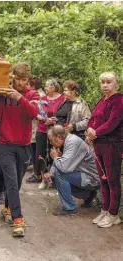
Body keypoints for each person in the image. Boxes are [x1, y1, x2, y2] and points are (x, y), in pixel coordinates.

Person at [0, 63, 40, 237]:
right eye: (17, 79)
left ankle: (7, 209)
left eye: (23, 79)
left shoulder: (32, 94)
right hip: (4, 144)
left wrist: (19, 97)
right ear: (12, 78)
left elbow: (34, 113)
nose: (20, 83)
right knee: (11, 182)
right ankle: (18, 220)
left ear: (28, 79)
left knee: (16, 183)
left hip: (24, 145)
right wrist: (0, 96)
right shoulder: (5, 91)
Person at [87, 72, 123, 228]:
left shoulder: (119, 100)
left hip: (113, 145)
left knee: (113, 180)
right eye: (102, 82)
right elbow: (92, 118)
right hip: (98, 145)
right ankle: (105, 209)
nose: (105, 85)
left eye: (109, 82)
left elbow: (112, 122)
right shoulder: (102, 100)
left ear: (116, 84)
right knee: (103, 179)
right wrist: (89, 129)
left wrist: (95, 132)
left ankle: (114, 214)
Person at [43, 125, 100, 216]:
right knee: (54, 176)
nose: (50, 143)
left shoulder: (72, 142)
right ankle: (88, 195)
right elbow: (64, 164)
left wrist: (55, 158)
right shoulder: (68, 141)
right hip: (88, 176)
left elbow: (64, 168)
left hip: (92, 178)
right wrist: (50, 173)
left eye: (51, 140)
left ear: (59, 137)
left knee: (59, 174)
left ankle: (69, 208)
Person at [27, 79, 65, 188]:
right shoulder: (42, 99)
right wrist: (44, 119)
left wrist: (54, 120)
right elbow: (36, 113)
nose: (45, 89)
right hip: (42, 129)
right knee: (41, 154)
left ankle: (55, 178)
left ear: (53, 87)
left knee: (55, 153)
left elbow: (64, 113)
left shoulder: (62, 99)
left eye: (47, 87)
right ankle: (43, 178)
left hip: (56, 130)